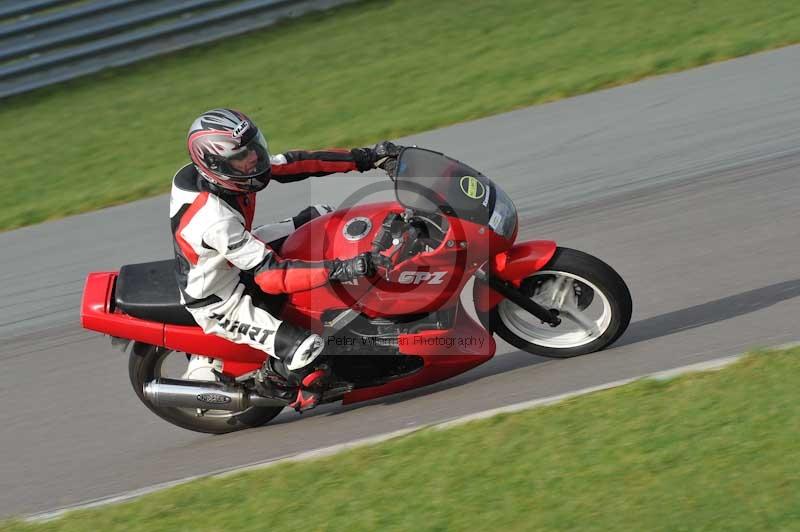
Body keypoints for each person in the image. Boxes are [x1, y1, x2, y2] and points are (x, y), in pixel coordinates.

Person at [170, 108, 401, 411]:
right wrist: (340, 269)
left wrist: (367, 157)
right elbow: (271, 275)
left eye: (253, 147)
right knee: (308, 349)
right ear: (216, 164)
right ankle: (275, 383)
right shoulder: (213, 219)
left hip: (233, 257)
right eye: (242, 155)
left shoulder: (229, 175)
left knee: (321, 216)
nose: (253, 158)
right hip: (221, 297)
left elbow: (296, 163)